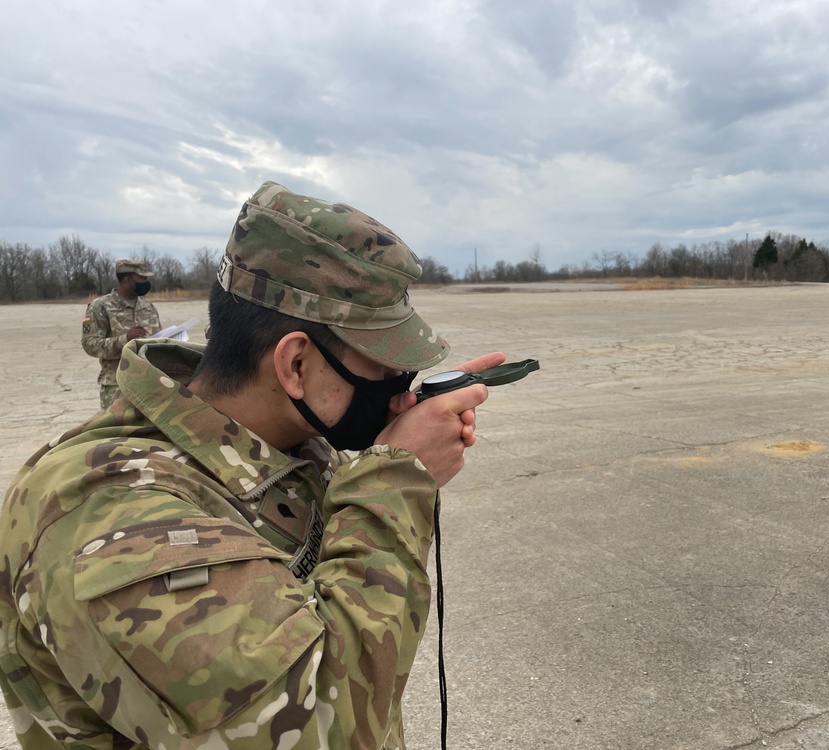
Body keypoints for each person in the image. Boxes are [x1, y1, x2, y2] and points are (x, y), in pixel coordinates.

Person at [0, 181, 503, 749]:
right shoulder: (109, 514)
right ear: (294, 363)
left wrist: (403, 426)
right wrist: (395, 480)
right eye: (387, 365)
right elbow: (318, 727)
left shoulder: (283, 438)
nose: (398, 384)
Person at [81, 258, 162, 408]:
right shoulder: (100, 307)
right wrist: (125, 339)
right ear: (127, 279)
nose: (146, 282)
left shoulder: (148, 307)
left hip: (149, 384)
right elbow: (89, 344)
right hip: (117, 386)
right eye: (142, 278)